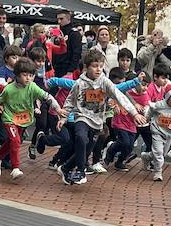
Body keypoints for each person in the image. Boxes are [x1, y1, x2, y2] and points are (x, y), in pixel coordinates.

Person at [57, 49, 145, 186]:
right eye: (94, 66)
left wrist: (134, 113)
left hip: (97, 121)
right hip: (82, 116)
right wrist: (63, 117)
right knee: (81, 137)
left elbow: (119, 95)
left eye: (101, 66)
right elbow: (69, 101)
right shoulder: (79, 83)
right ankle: (81, 170)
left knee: (86, 151)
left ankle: (65, 168)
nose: (98, 69)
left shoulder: (105, 82)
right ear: (86, 67)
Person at [0, 58, 60, 180]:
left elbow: (46, 96)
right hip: (9, 118)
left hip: (23, 119)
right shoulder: (9, 89)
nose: (28, 78)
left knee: (13, 141)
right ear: (17, 75)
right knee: (15, 140)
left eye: (31, 75)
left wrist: (58, 108)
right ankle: (16, 168)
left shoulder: (32, 87)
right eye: (24, 75)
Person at [140, 86, 171, 183]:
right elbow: (151, 109)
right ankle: (158, 172)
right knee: (158, 153)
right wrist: (147, 118)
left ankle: (146, 156)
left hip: (169, 134)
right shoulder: (159, 105)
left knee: (162, 154)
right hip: (157, 131)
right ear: (167, 97)